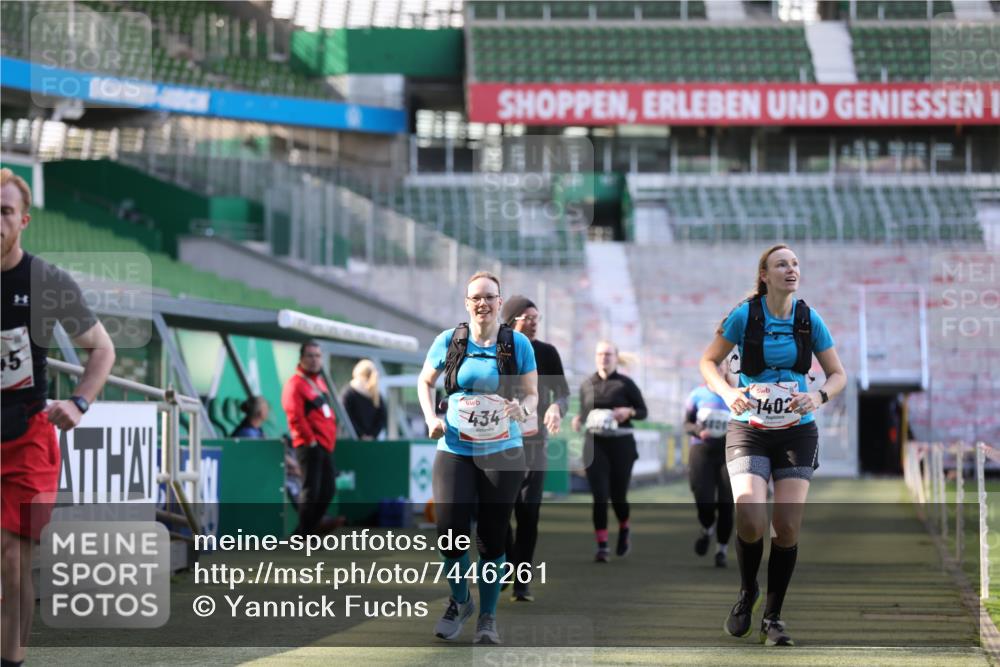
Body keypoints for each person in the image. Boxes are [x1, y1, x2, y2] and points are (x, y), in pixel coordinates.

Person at [699, 244, 846, 647]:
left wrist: (817, 397)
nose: (792, 269)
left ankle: (773, 618)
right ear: (764, 274)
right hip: (749, 427)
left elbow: (837, 374)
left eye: (796, 263)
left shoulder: (808, 318)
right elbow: (708, 362)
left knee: (786, 526)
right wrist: (729, 395)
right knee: (749, 517)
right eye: (782, 264)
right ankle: (748, 591)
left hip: (798, 430)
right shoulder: (744, 315)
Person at [1, 168, 116, 667]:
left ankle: (11, 661)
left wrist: (80, 401)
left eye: (4, 211)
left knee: (11, 559)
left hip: (25, 439)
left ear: (22, 221)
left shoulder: (46, 281)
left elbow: (103, 349)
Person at [416, 271, 537, 645]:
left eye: (490, 297)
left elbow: (532, 394)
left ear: (500, 302)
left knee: (491, 538)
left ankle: (487, 617)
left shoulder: (516, 344)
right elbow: (425, 381)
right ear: (467, 304)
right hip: (454, 447)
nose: (483, 303)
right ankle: (459, 601)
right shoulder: (449, 341)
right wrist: (430, 418)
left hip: (503, 450)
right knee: (450, 534)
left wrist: (524, 409)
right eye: (476, 298)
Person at [499, 295, 569, 602]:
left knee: (528, 511)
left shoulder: (547, 353)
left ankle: (522, 580)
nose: (534, 324)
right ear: (511, 319)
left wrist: (555, 407)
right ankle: (506, 563)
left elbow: (564, 393)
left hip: (534, 442)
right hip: (498, 441)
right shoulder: (495, 351)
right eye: (528, 319)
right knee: (499, 512)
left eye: (537, 319)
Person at [572, 340, 647, 563]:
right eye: (600, 354)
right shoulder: (587, 384)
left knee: (618, 496)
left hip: (621, 445)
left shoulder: (626, 384)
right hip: (595, 445)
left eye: (608, 354)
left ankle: (624, 527)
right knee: (600, 496)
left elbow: (643, 412)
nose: (604, 358)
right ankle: (602, 546)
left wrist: (629, 411)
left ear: (616, 357)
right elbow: (585, 413)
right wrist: (578, 419)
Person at [281, 340, 338, 536]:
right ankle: (305, 533)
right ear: (302, 358)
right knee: (311, 491)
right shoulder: (295, 383)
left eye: (317, 356)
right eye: (310, 356)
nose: (314, 360)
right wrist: (311, 441)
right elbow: (294, 416)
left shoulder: (318, 382)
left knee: (328, 489)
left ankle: (306, 531)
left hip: (325, 444)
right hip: (310, 444)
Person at [684, 365, 734, 568]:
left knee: (726, 503)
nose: (717, 370)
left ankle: (721, 549)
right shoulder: (696, 395)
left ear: (726, 370)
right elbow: (686, 423)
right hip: (701, 451)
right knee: (703, 499)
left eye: (721, 367)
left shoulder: (735, 394)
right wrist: (697, 430)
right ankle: (706, 528)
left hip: (729, 453)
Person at [341, 359, 387, 440]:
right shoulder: (376, 394)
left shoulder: (349, 392)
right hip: (368, 440)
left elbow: (345, 416)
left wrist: (363, 435)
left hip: (353, 439)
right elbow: (382, 418)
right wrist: (371, 435)